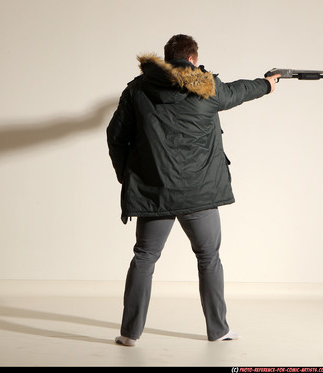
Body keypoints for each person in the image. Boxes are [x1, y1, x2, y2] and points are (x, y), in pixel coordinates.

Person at [107, 34, 280, 346]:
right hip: (199, 194)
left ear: (166, 57)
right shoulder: (206, 86)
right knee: (208, 257)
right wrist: (267, 84)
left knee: (144, 257)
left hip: (155, 192)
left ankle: (129, 334)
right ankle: (219, 330)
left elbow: (116, 136)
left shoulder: (137, 89)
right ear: (192, 59)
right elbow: (239, 91)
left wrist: (129, 176)